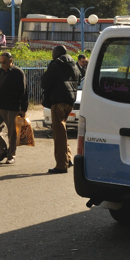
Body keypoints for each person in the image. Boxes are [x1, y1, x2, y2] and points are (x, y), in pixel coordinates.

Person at [42, 45, 81, 174]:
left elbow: (45, 82)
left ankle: (61, 165)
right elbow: (79, 78)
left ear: (58, 52)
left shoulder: (56, 64)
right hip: (70, 102)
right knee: (62, 131)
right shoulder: (74, 64)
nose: (52, 54)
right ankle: (68, 158)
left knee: (58, 134)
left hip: (58, 101)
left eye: (53, 51)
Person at [0, 51, 28, 164]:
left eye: (4, 62)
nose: (2, 64)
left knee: (12, 133)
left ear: (11, 61)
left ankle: (11, 155)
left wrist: (23, 109)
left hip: (12, 107)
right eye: (1, 62)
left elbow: (24, 92)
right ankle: (3, 151)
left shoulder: (18, 73)